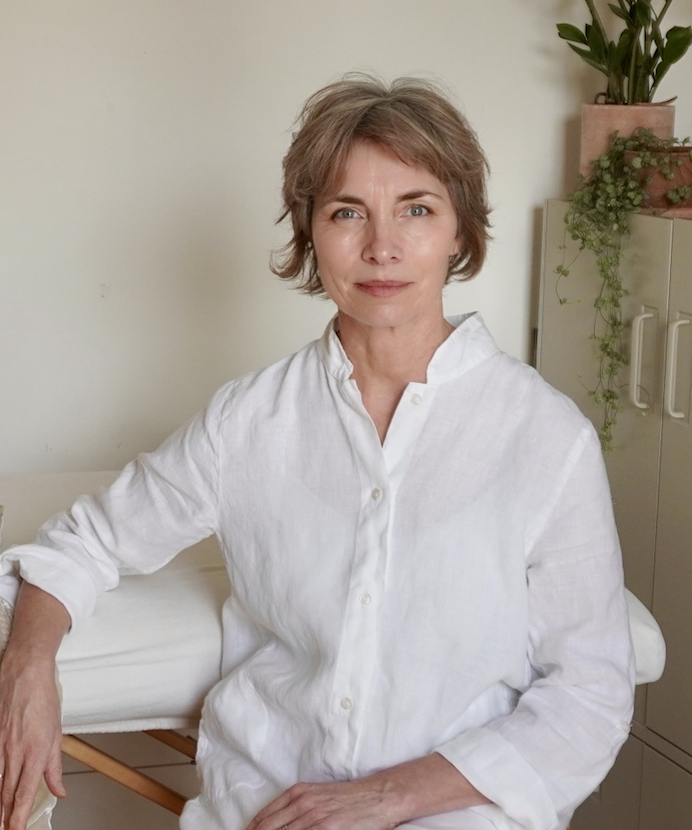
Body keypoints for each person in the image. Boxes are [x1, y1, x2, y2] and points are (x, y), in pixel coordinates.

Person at [0, 75, 634, 830]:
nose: (381, 247)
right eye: (346, 213)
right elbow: (84, 544)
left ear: (460, 232)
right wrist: (28, 667)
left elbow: (591, 695)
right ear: (311, 233)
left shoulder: (546, 437)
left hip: (458, 812)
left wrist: (393, 795)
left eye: (417, 209)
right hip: (263, 805)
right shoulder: (248, 421)